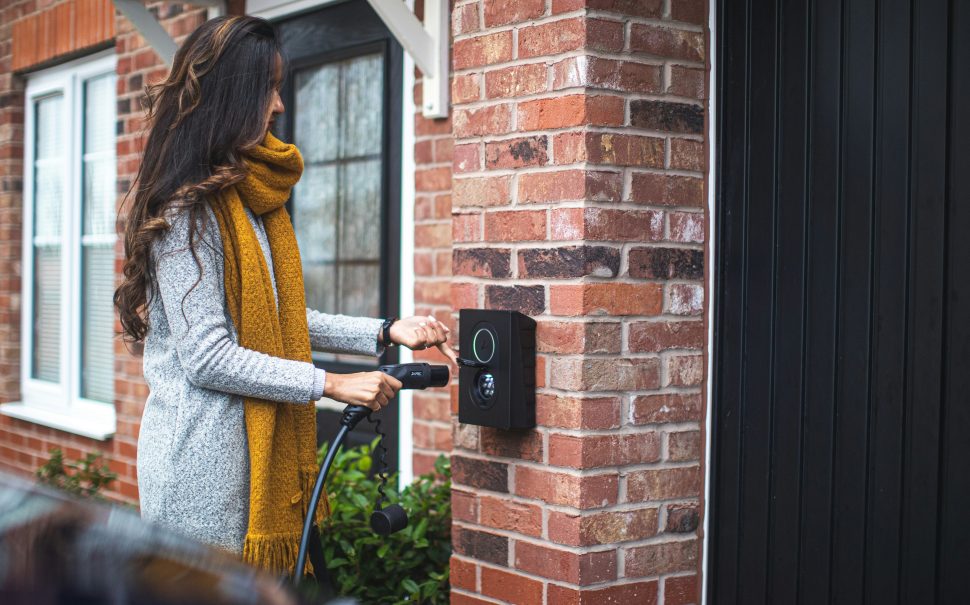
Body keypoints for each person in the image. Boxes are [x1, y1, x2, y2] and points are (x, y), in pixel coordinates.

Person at [114, 16, 457, 579]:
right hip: (205, 478)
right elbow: (208, 356)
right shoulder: (188, 212)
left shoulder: (249, 206)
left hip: (256, 469)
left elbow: (279, 320)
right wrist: (333, 383)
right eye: (269, 89)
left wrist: (385, 330)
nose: (279, 106)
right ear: (234, 96)